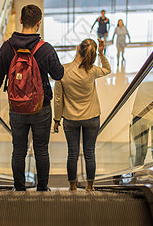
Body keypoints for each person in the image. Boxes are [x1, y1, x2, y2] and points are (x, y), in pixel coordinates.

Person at [0, 4, 64, 191]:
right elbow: (59, 74)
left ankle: (19, 188)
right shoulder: (45, 49)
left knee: (19, 151)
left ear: (21, 21)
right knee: (41, 150)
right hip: (41, 107)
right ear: (39, 23)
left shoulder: (7, 47)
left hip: (16, 108)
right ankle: (42, 188)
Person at [53, 38, 111, 191]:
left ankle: (72, 186)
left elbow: (58, 99)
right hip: (92, 117)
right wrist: (101, 53)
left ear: (78, 48)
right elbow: (107, 69)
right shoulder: (92, 70)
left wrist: (56, 119)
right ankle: (90, 186)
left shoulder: (63, 71)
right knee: (90, 153)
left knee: (72, 153)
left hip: (71, 119)